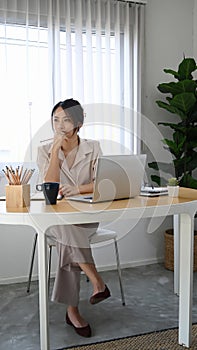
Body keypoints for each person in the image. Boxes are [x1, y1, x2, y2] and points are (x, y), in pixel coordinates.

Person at [37, 98, 111, 338]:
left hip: (86, 216)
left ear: (78, 122)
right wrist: (55, 151)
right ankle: (95, 283)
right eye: (55, 120)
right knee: (67, 231)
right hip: (55, 220)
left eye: (66, 120)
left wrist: (78, 190)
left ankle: (73, 311)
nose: (60, 125)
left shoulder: (93, 147)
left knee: (70, 236)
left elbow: (101, 182)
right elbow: (49, 185)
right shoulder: (44, 149)